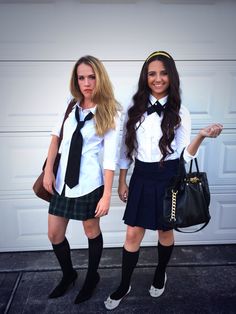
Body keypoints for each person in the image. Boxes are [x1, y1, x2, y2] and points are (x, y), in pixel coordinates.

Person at [104, 50, 223, 310]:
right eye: (152, 74)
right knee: (133, 232)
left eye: (163, 73)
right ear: (145, 77)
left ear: (171, 76)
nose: (158, 79)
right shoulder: (133, 108)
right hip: (142, 176)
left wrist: (201, 135)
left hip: (169, 176)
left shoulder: (181, 111)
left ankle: (160, 273)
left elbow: (184, 154)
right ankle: (125, 284)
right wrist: (122, 181)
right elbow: (126, 151)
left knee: (164, 230)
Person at [43, 55, 121, 304]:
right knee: (54, 234)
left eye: (91, 76)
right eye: (81, 77)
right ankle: (69, 275)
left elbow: (110, 158)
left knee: (90, 230)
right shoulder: (69, 105)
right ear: (76, 80)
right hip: (62, 182)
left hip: (89, 183)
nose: (86, 82)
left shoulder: (111, 112)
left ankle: (92, 277)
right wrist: (48, 171)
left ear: (100, 77)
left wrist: (107, 195)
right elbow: (56, 138)